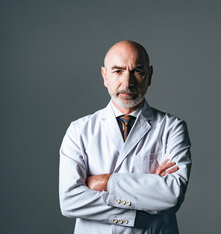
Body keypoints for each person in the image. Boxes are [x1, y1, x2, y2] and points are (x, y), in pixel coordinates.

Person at [59, 41, 192, 233]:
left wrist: (106, 182)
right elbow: (70, 201)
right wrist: (143, 197)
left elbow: (171, 195)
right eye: (118, 71)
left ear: (150, 76)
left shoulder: (172, 128)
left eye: (137, 71)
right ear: (105, 76)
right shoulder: (79, 130)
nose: (128, 82)